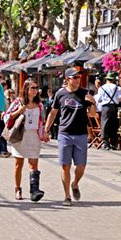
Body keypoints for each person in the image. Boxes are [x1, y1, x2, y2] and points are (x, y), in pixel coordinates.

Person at [44, 67, 97, 206]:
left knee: (81, 166)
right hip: (64, 134)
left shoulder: (85, 93)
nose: (77, 80)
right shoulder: (60, 94)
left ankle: (75, 183)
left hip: (80, 134)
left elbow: (92, 114)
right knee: (65, 166)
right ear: (67, 79)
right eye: (74, 77)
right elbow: (53, 113)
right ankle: (67, 196)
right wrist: (46, 129)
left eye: (78, 77)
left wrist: (93, 102)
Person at [4, 79, 49, 201]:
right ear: (26, 89)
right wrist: (19, 111)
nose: (35, 90)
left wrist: (45, 133)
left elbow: (42, 121)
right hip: (20, 136)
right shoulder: (18, 102)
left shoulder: (39, 104)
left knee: (33, 164)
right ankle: (17, 189)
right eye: (32, 88)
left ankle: (34, 191)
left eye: (36, 88)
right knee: (19, 164)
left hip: (34, 136)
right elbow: (6, 116)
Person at [95, 72, 121, 150]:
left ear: (106, 80)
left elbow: (98, 99)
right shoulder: (117, 88)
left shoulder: (102, 88)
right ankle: (114, 143)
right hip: (114, 107)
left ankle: (105, 143)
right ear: (113, 80)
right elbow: (120, 98)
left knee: (105, 125)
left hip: (105, 107)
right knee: (114, 125)